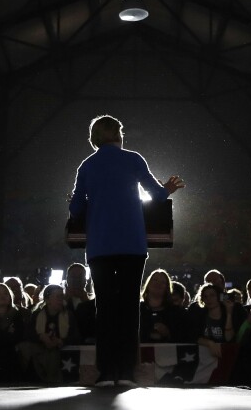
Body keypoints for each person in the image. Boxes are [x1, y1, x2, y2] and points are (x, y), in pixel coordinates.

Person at [68, 115, 184, 387]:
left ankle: (107, 373)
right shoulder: (133, 159)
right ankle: (127, 373)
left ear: (94, 137)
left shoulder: (86, 165)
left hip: (100, 246)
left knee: (105, 308)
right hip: (132, 244)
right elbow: (156, 195)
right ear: (118, 134)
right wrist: (168, 188)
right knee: (129, 308)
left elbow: (75, 209)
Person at [188, 283, 235, 358]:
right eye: (205, 296)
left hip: (226, 356)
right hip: (205, 357)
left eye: (212, 295)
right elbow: (194, 337)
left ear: (220, 297)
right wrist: (210, 343)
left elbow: (229, 338)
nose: (208, 299)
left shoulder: (227, 314)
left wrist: (229, 313)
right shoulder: (200, 315)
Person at [139, 268, 185, 343]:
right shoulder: (136, 310)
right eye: (155, 280)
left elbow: (186, 337)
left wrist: (168, 334)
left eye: (162, 282)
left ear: (167, 288)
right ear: (148, 284)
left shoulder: (178, 312)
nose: (158, 284)